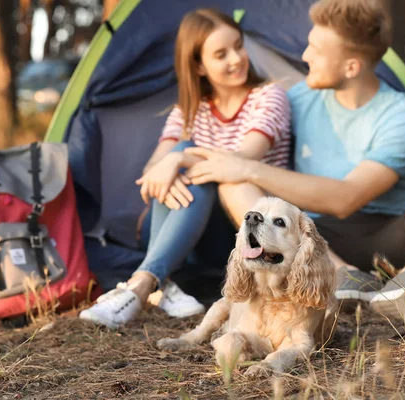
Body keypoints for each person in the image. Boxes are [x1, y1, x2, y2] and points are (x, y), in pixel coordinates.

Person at [183, 0, 405, 323]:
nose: (305, 56)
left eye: (315, 49)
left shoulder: (401, 117)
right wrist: (172, 157)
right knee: (234, 182)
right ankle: (341, 276)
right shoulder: (296, 100)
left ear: (351, 67)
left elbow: (346, 199)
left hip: (387, 234)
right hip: (312, 239)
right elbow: (232, 139)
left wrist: (249, 167)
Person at [79, 8, 291, 329]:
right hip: (183, 229)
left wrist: (179, 159)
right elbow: (151, 176)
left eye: (238, 45)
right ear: (198, 66)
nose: (236, 58)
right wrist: (171, 161)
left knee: (194, 164)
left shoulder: (268, 96)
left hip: (238, 231)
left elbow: (243, 158)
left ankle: (142, 285)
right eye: (221, 54)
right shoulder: (189, 112)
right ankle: (157, 282)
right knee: (181, 156)